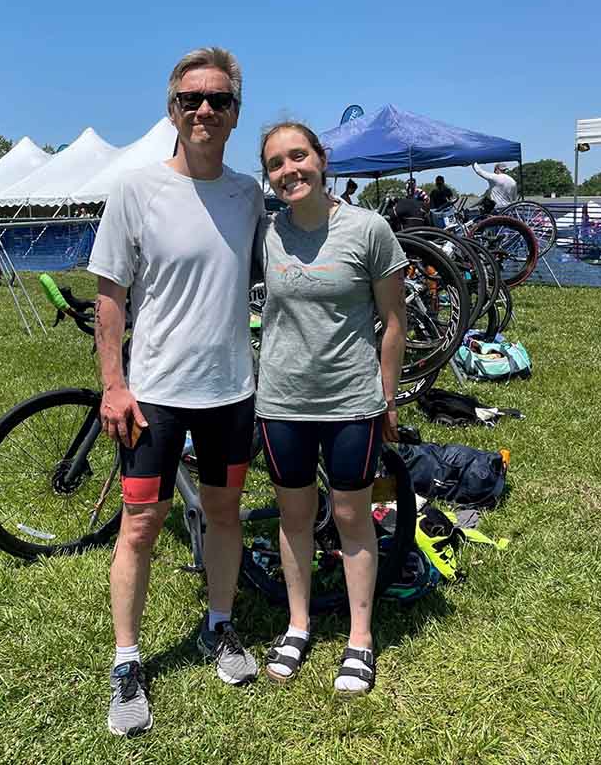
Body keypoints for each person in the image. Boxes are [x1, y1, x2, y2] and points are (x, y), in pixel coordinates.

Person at [87, 47, 264, 736]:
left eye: (218, 100)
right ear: (173, 109)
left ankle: (219, 627)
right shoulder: (135, 189)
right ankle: (127, 661)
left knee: (223, 515)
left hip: (229, 390)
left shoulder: (249, 194)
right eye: (192, 99)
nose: (204, 110)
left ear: (234, 114)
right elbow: (110, 294)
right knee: (140, 526)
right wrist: (113, 384)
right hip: (153, 394)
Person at [256, 122, 407, 695]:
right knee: (294, 517)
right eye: (276, 163)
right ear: (268, 175)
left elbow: (395, 323)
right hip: (282, 402)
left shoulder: (368, 230)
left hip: (351, 401)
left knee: (350, 517)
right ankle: (298, 624)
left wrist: (386, 397)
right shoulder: (264, 234)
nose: (290, 170)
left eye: (299, 157)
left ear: (321, 160)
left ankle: (360, 638)